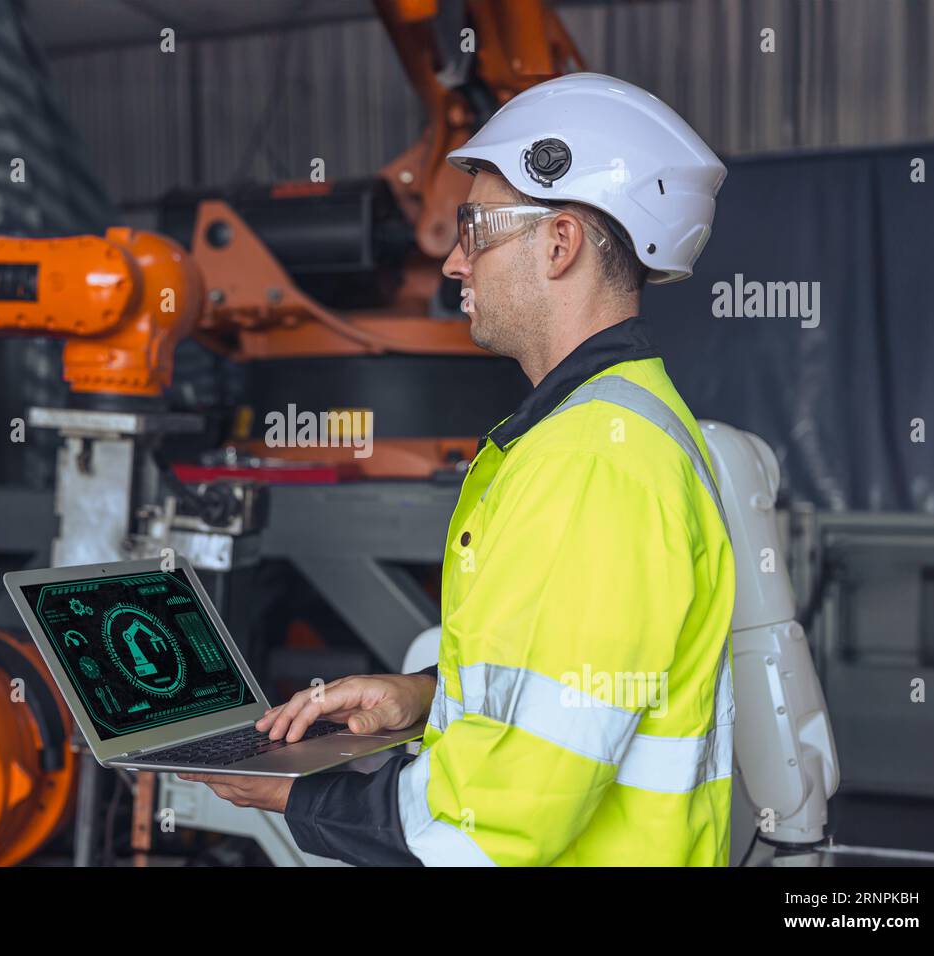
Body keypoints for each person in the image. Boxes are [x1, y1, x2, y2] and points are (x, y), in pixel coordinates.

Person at [181, 72, 737, 866]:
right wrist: (422, 696)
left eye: (474, 229)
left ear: (559, 243)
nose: (452, 263)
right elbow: (578, 691)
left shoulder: (592, 464)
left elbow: (505, 816)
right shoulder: (600, 432)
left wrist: (302, 796)